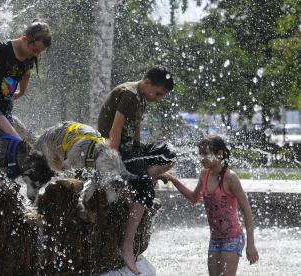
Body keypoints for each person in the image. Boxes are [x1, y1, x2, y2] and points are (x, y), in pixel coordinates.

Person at [97, 65, 176, 275]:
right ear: (147, 82)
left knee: (168, 152)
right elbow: (115, 132)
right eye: (158, 93)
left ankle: (144, 173)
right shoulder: (130, 94)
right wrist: (113, 169)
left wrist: (141, 156)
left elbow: (136, 129)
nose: (159, 99)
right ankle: (126, 248)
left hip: (129, 149)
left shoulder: (142, 96)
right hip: (114, 150)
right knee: (145, 193)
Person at [160, 135, 259, 276]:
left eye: (206, 154)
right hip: (215, 238)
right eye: (200, 154)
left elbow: (247, 210)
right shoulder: (204, 175)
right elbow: (194, 198)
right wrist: (172, 179)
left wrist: (251, 244)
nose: (202, 158)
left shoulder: (230, 177)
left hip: (232, 237)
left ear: (219, 154)